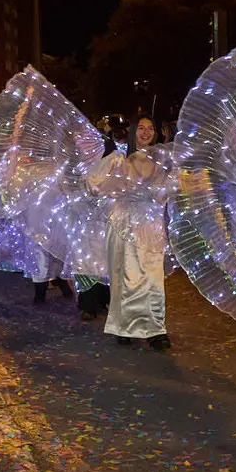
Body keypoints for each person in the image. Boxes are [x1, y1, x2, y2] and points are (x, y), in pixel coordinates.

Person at [89, 117, 174, 350]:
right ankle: (124, 326)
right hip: (126, 224)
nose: (146, 132)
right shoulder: (120, 159)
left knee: (153, 280)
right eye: (142, 128)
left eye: (151, 128)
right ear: (133, 132)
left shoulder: (164, 160)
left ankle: (156, 330)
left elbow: (168, 192)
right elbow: (96, 184)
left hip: (152, 226)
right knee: (127, 278)